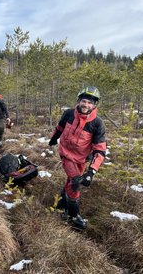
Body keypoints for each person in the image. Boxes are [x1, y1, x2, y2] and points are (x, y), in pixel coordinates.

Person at [48, 86, 106, 230]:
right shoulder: (69, 114)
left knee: (71, 181)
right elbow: (60, 128)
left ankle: (60, 206)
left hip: (81, 159)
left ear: (94, 105)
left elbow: (100, 150)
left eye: (90, 103)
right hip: (66, 154)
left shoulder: (97, 123)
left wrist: (91, 172)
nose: (86, 105)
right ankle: (74, 217)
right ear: (79, 101)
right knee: (75, 183)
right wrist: (54, 139)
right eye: (84, 101)